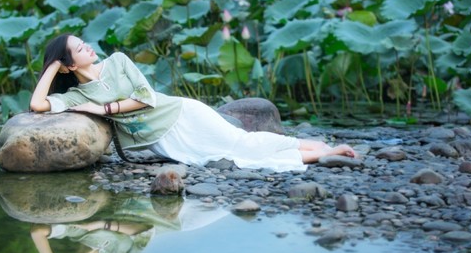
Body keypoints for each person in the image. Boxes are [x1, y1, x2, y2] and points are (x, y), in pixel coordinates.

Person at [29, 34, 356, 172]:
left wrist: (104, 110)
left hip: (182, 114)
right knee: (231, 157)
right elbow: (37, 105)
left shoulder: (117, 61)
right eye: (78, 48)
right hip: (164, 141)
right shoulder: (77, 96)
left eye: (83, 42)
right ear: (69, 65)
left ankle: (321, 151)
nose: (87, 46)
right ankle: (319, 150)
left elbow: (146, 97)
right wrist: (53, 66)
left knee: (242, 146)